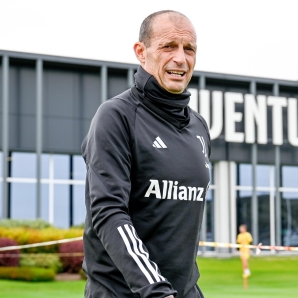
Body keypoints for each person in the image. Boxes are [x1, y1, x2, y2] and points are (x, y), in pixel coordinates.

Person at [81, 10, 210, 298]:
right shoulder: (116, 117)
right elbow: (109, 212)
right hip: (124, 293)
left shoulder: (199, 127)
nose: (181, 58)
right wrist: (156, 290)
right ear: (141, 52)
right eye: (168, 46)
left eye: (189, 49)